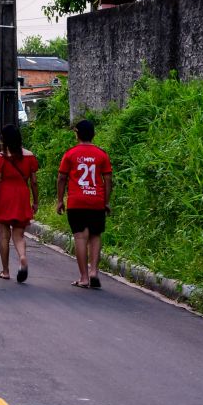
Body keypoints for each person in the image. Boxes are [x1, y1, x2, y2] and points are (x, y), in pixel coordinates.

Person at [56, 118, 113, 289]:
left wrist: (60, 200)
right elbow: (108, 180)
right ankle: (94, 271)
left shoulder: (70, 154)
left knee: (80, 237)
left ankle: (84, 278)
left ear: (77, 134)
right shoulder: (102, 154)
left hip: (76, 201)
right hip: (96, 200)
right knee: (95, 235)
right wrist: (106, 201)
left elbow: (62, 178)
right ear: (93, 135)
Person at [0, 123, 39, 284]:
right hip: (22, 195)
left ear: (3, 140)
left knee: (4, 236)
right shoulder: (29, 156)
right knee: (19, 235)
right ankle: (22, 257)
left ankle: (5, 271)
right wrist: (36, 201)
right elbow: (34, 182)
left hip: (5, 196)